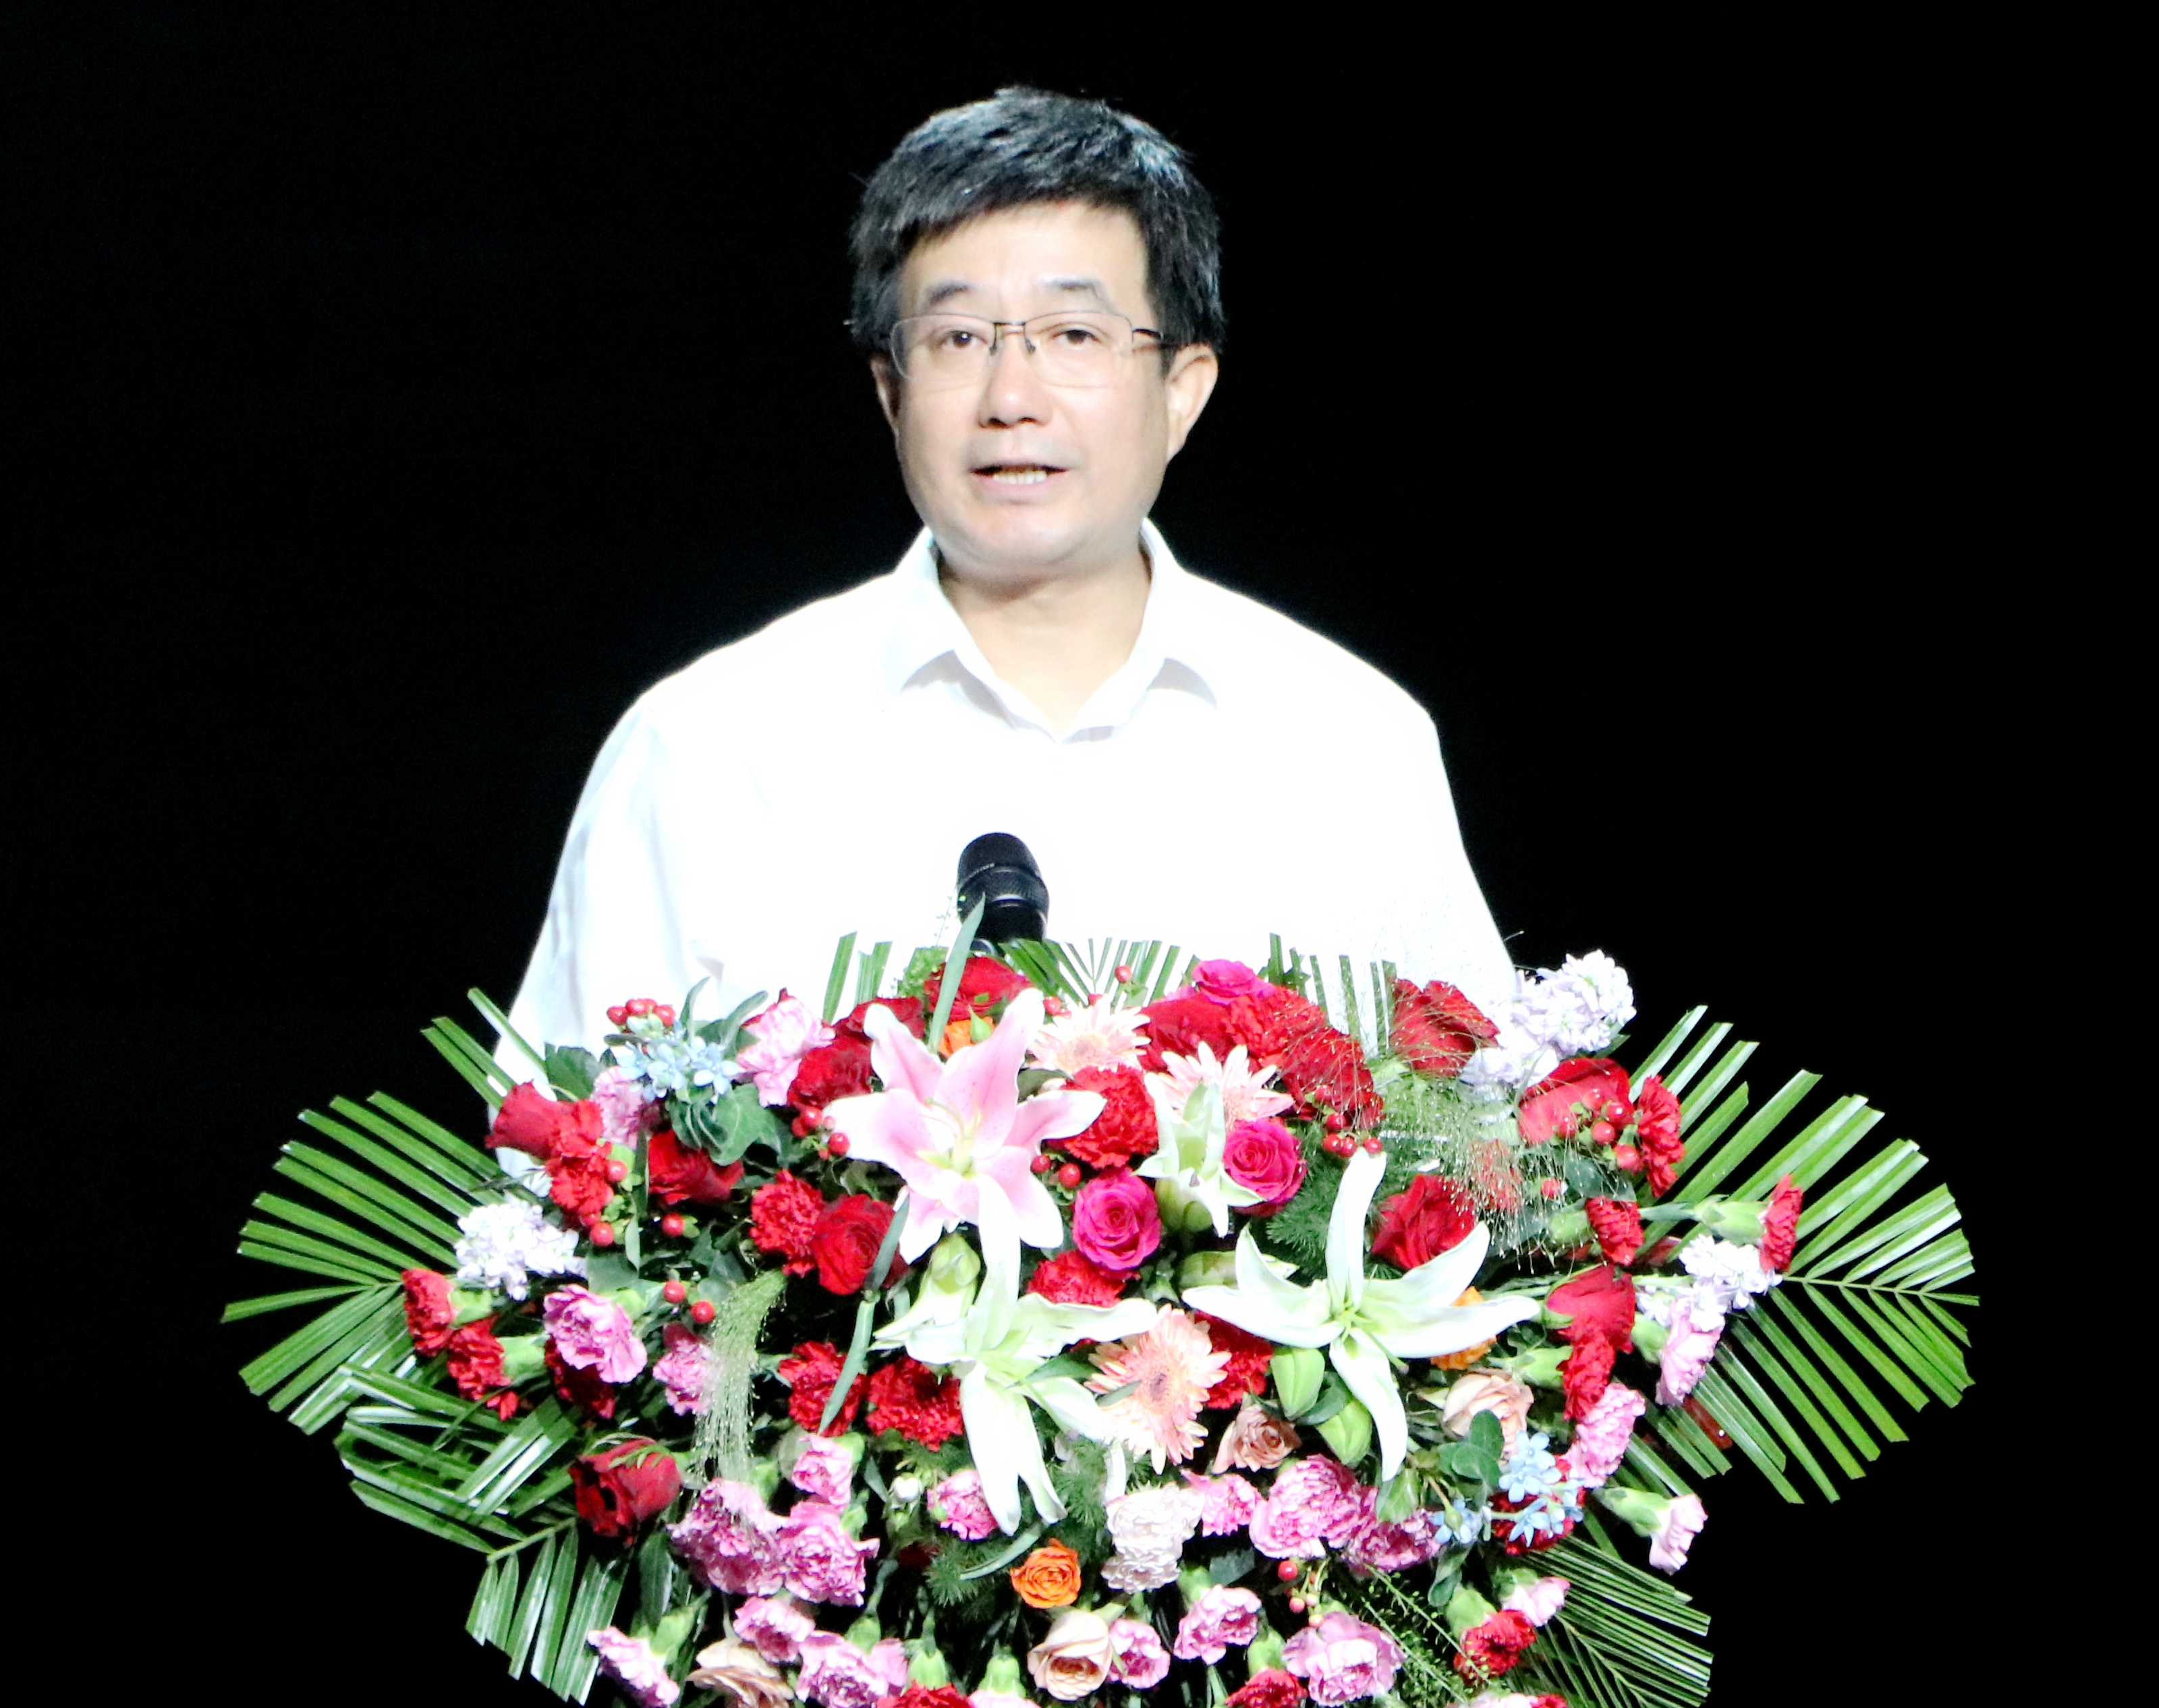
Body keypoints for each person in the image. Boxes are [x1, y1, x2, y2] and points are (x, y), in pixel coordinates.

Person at [503, 87, 1512, 1058]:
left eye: (1074, 335)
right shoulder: (709, 752)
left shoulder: (1351, 745)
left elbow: (1483, 1138)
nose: (1011, 397)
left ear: (1183, 390)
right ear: (892, 392)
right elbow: (570, 1153)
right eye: (958, 339)